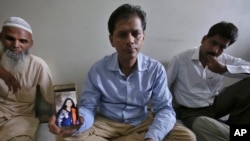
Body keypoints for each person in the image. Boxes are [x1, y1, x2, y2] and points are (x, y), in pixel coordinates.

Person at [48, 3, 196, 141]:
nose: (130, 40)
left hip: (141, 122)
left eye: (135, 33)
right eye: (122, 34)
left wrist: (152, 137)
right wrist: (79, 122)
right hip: (105, 124)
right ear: (111, 40)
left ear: (143, 37)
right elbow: (88, 107)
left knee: (186, 137)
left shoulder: (155, 69)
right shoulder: (98, 70)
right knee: (65, 138)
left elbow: (164, 109)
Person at [166, 21, 250, 141]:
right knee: (203, 125)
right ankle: (238, 134)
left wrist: (225, 69)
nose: (215, 50)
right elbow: (163, 87)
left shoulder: (224, 60)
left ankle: (236, 130)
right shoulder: (181, 59)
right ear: (204, 39)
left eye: (222, 47)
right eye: (213, 43)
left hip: (215, 105)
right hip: (191, 112)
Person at [0, 17, 54, 141]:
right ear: (1, 37)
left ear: (30, 44)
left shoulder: (38, 66)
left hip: (19, 120)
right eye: (10, 39)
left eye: (23, 41)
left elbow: (54, 99)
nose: (15, 45)